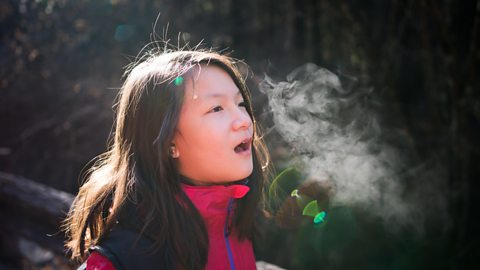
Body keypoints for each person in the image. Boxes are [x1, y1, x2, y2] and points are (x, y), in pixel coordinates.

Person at [62, 48, 272, 270]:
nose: (244, 121)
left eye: (240, 104)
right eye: (217, 108)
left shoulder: (234, 222)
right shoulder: (120, 261)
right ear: (168, 143)